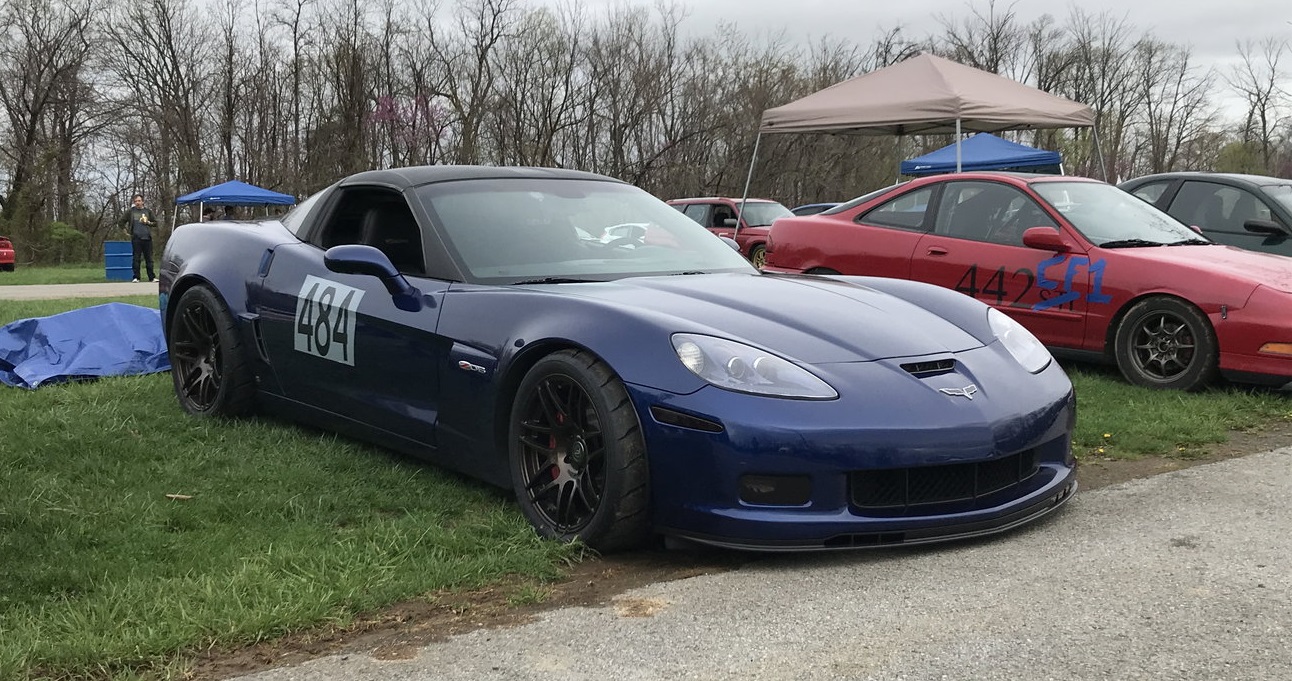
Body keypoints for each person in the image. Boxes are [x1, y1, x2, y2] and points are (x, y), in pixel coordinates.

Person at [118, 193, 158, 282]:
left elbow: (155, 223)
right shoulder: (130, 211)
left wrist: (148, 223)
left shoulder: (148, 211)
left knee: (149, 259)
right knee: (136, 258)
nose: (137, 203)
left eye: (139, 201)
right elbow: (121, 222)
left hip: (147, 238)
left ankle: (151, 277)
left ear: (143, 202)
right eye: (135, 201)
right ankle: (136, 277)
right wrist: (125, 231)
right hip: (136, 238)